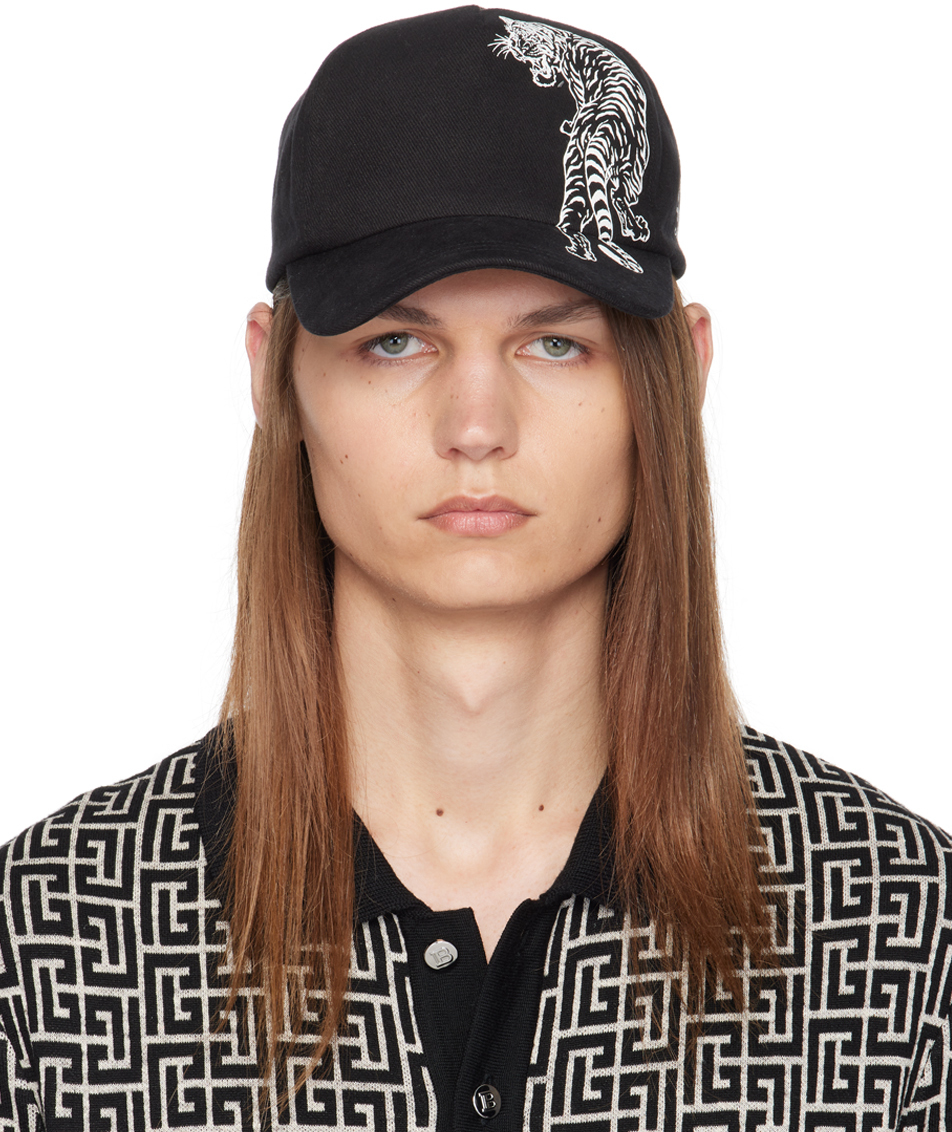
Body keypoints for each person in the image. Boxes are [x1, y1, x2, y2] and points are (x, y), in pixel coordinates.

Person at [1, 7, 949, 1131]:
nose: (477, 426)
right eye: (395, 342)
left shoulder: (906, 938)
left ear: (683, 374)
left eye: (557, 343)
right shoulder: (46, 942)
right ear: (271, 376)